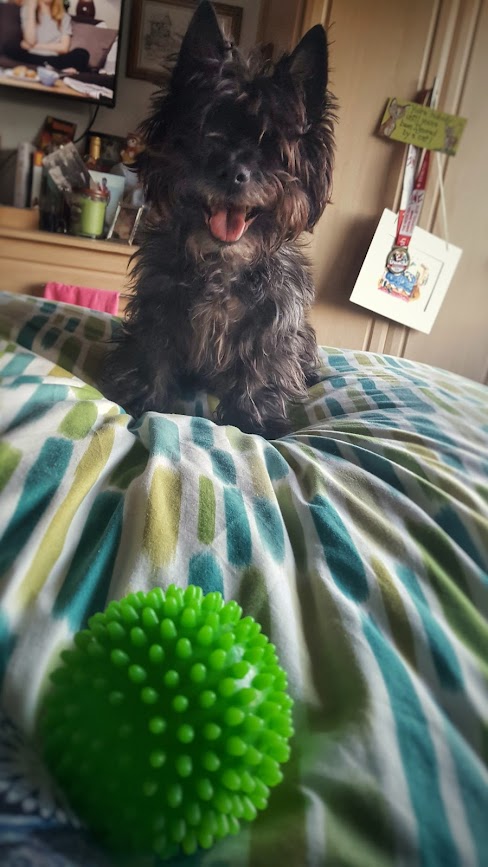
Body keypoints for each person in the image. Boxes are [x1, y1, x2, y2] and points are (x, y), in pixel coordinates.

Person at [6, 0, 90, 73]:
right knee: (10, 46)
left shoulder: (64, 17)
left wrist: (35, 46)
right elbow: (30, 40)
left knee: (82, 53)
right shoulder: (27, 11)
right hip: (32, 56)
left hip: (54, 59)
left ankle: (49, 66)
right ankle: (53, 68)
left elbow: (64, 48)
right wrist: (31, 9)